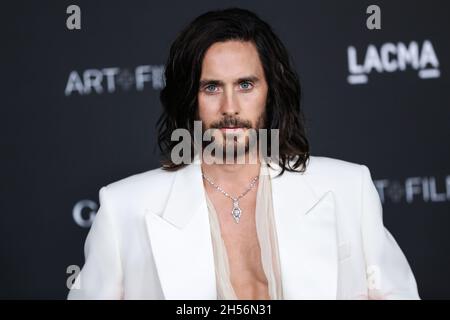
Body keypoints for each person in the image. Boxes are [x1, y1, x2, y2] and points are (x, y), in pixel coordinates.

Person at [68, 8, 419, 300]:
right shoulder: (123, 208)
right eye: (211, 87)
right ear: (190, 98)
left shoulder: (347, 188)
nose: (229, 107)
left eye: (245, 85)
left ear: (271, 91)